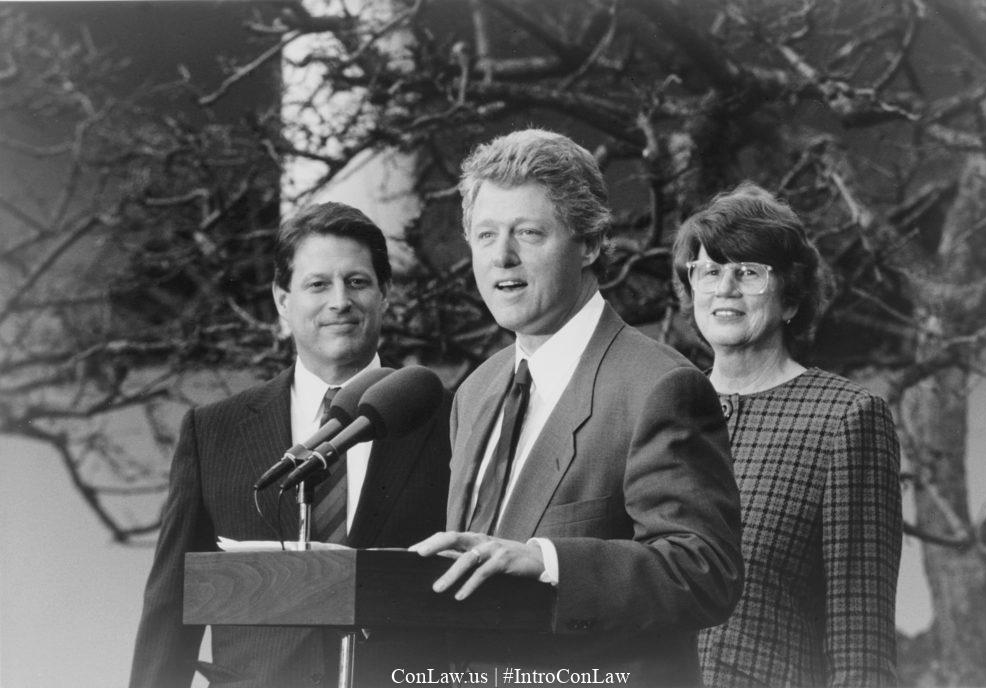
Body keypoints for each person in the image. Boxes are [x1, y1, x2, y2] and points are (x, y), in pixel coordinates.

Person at [410, 129, 744, 687]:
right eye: (485, 234)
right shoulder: (475, 391)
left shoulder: (660, 386)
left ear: (589, 244)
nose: (502, 256)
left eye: (529, 233)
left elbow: (705, 573)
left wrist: (549, 560)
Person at [130, 203, 451, 688]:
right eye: (318, 284)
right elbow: (170, 607)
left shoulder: (450, 419)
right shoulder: (214, 431)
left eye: (358, 282)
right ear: (282, 299)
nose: (340, 301)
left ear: (385, 293)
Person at [673, 182, 902, 687]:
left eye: (749, 272)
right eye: (710, 271)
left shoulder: (845, 418)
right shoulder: (663, 410)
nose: (726, 288)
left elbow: (859, 646)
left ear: (791, 300)